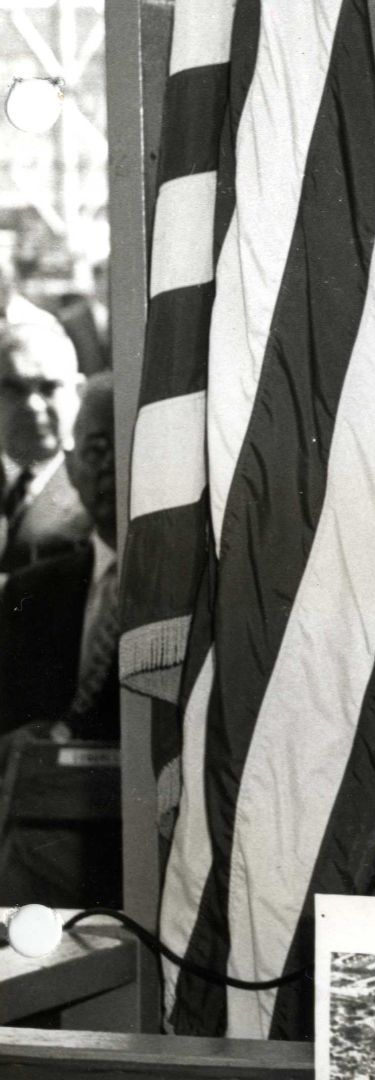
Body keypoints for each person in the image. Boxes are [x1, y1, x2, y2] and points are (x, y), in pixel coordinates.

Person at [0, 373, 120, 906]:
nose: (115, 464)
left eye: (131, 445)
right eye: (97, 447)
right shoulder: (31, 591)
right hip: (40, 855)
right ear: (71, 465)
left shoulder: (197, 591)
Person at [0, 319, 88, 576]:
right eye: (13, 388)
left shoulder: (93, 492)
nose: (33, 405)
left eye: (49, 387)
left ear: (79, 392)